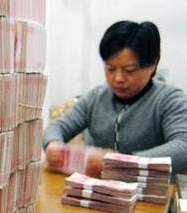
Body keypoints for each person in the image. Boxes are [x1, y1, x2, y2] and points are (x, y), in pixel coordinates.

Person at [43, 21, 187, 180]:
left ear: (152, 65)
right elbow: (57, 127)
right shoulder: (97, 97)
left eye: (129, 70)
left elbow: (183, 147)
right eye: (110, 69)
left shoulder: (169, 100)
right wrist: (53, 144)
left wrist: (121, 163)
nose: (118, 78)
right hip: (100, 193)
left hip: (150, 196)